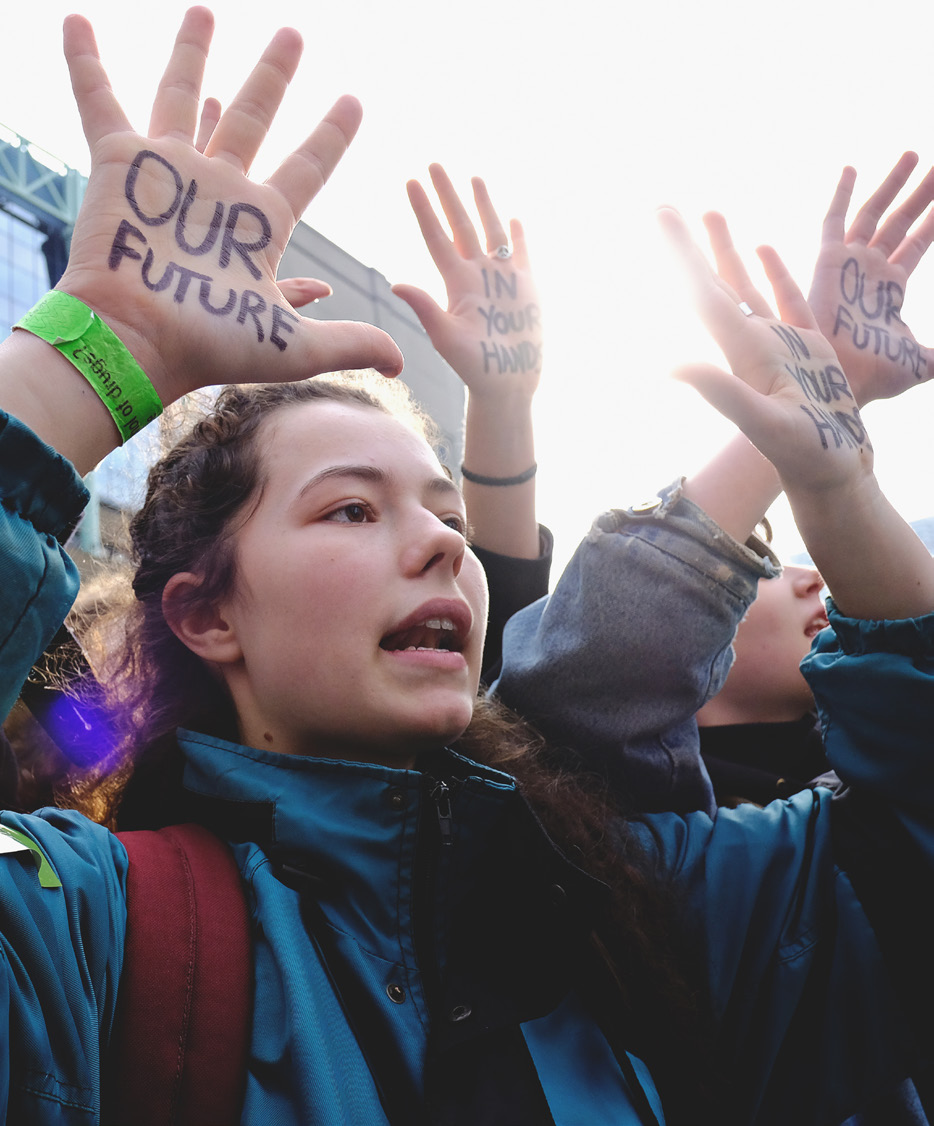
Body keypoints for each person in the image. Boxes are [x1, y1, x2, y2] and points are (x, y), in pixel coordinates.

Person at [1, 10, 934, 1126]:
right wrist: (91, 356)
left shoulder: (628, 900)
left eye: (447, 510)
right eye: (351, 508)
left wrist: (842, 494)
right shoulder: (92, 936)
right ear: (206, 614)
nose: (447, 541)